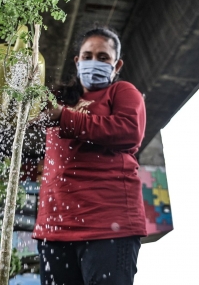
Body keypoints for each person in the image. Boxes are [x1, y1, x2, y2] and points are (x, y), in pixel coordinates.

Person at [32, 27, 147, 285]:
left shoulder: (122, 92)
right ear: (77, 61)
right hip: (55, 224)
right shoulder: (58, 98)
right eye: (87, 55)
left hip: (108, 222)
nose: (94, 62)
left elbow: (129, 131)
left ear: (117, 65)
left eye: (103, 57)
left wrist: (63, 116)